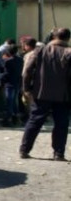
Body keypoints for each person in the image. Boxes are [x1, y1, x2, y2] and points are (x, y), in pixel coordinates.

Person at [20, 28, 71, 161]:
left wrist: (26, 89)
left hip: (41, 93)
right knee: (61, 124)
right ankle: (58, 153)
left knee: (34, 121)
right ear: (68, 38)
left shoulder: (40, 51)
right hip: (64, 95)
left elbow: (27, 71)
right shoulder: (68, 52)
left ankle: (24, 150)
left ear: (53, 37)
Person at [0, 45, 23, 126]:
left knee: (9, 101)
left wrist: (0, 78)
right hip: (17, 83)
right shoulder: (20, 60)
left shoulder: (8, 61)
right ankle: (16, 118)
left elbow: (6, 73)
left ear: (8, 52)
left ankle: (8, 119)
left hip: (9, 84)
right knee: (15, 101)